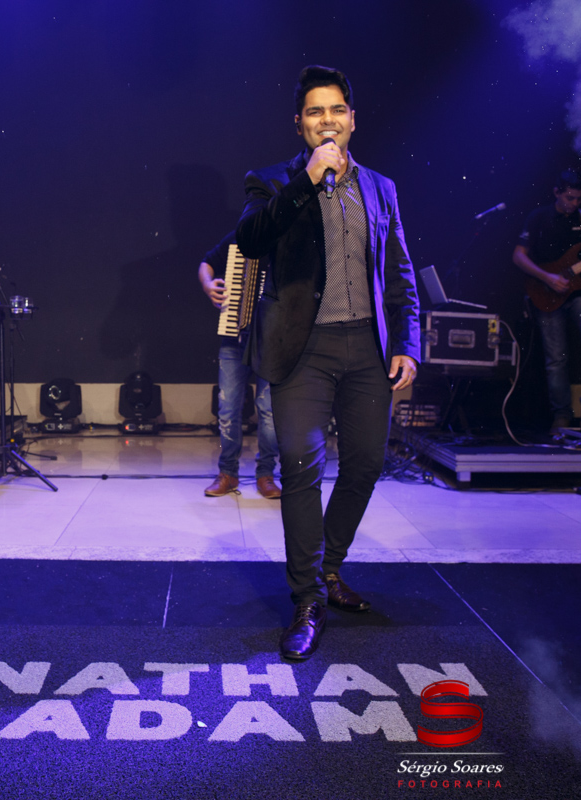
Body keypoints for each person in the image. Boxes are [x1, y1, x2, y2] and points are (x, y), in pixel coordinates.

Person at [237, 65, 419, 661]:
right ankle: (307, 600)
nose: (328, 120)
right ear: (300, 124)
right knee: (301, 469)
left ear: (352, 119)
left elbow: (400, 272)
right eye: (316, 112)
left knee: (366, 464)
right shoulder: (272, 181)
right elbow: (252, 239)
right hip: (303, 352)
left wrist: (407, 342)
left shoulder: (381, 188)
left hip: (368, 349)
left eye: (337, 109)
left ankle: (329, 569)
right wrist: (308, 180)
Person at [197, 230, 281, 499]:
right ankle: (228, 473)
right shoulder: (239, 237)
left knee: (269, 412)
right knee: (227, 409)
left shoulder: (285, 238)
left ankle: (266, 474)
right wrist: (208, 285)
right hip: (234, 337)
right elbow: (206, 263)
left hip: (272, 341)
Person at [511, 169, 581, 433]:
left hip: (578, 293)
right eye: (570, 198)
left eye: (579, 199)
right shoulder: (539, 217)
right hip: (546, 293)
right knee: (556, 358)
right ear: (556, 193)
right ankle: (561, 416)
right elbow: (519, 256)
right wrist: (548, 278)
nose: (574, 203)